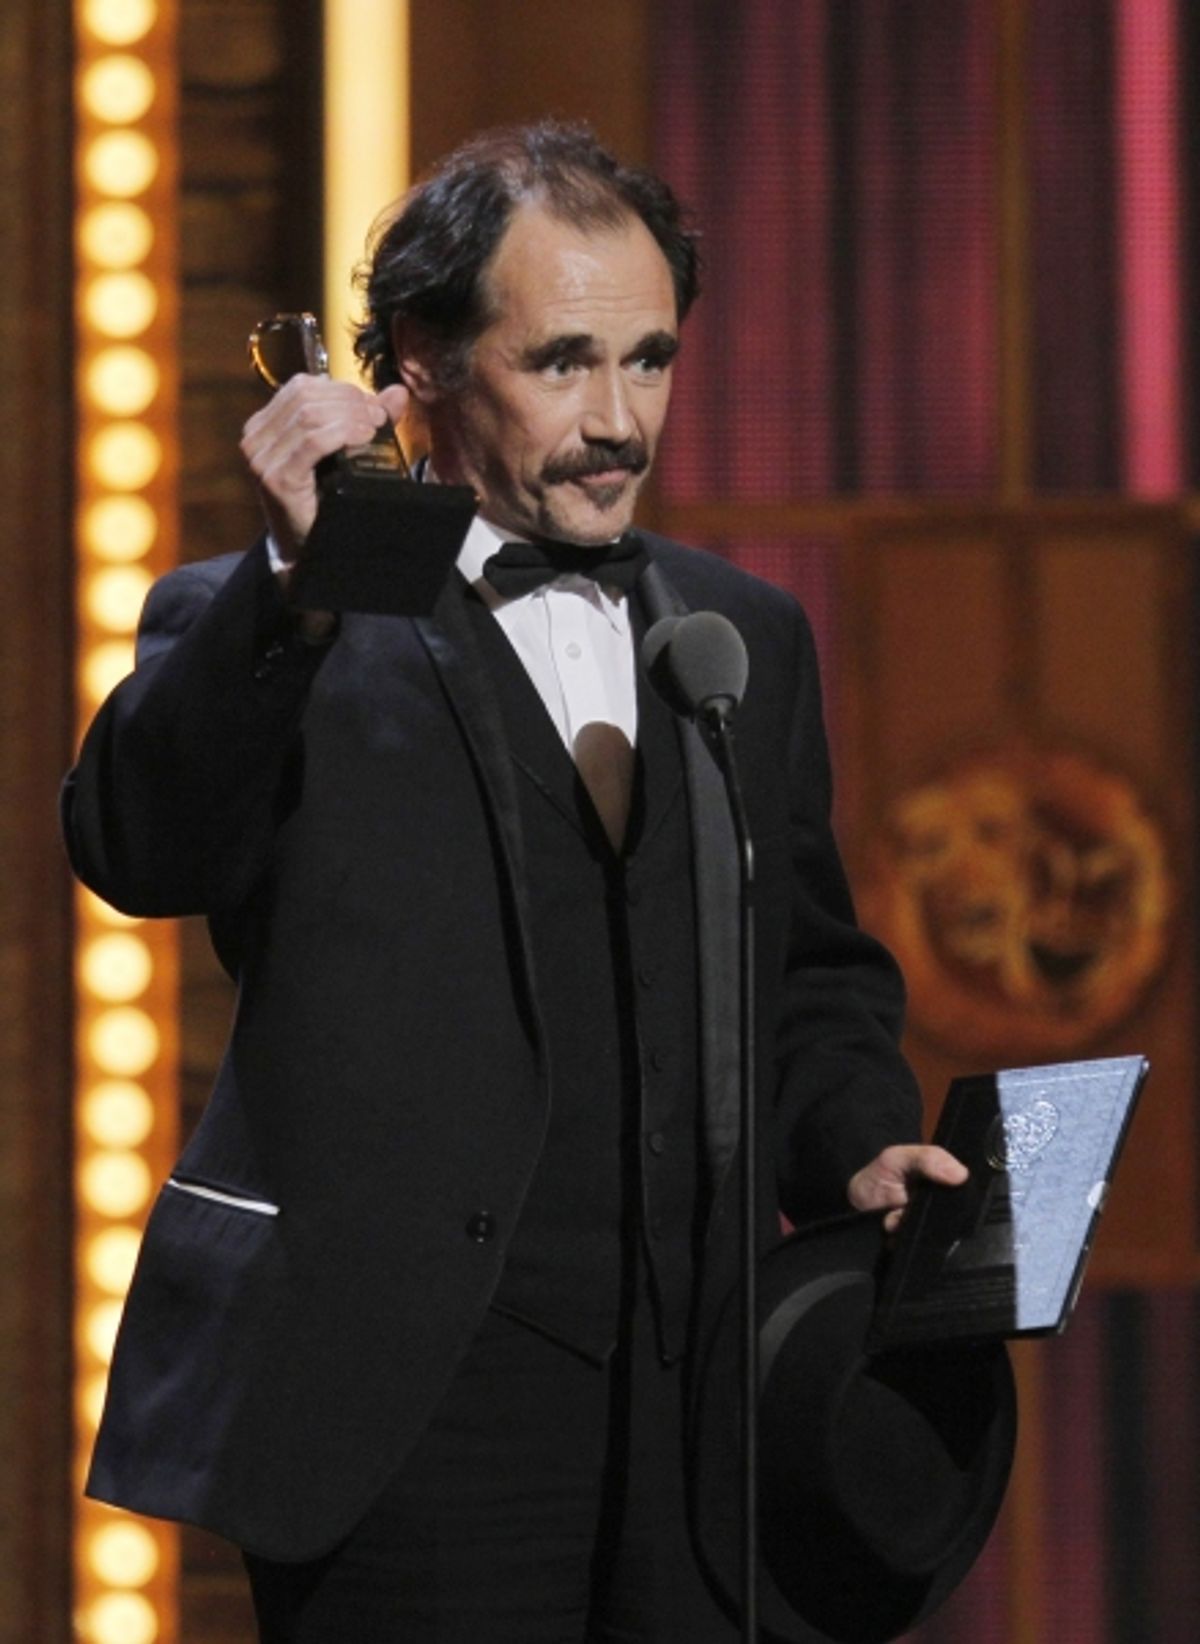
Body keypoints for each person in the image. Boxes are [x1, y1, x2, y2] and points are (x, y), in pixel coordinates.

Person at [63, 120, 968, 1642]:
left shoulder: (739, 629)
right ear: (417, 363)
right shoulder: (280, 626)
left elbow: (804, 966)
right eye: (563, 363)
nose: (619, 420)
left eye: (651, 361)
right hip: (407, 1417)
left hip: (706, 1412)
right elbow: (139, 850)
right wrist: (294, 597)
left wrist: (862, 1143)